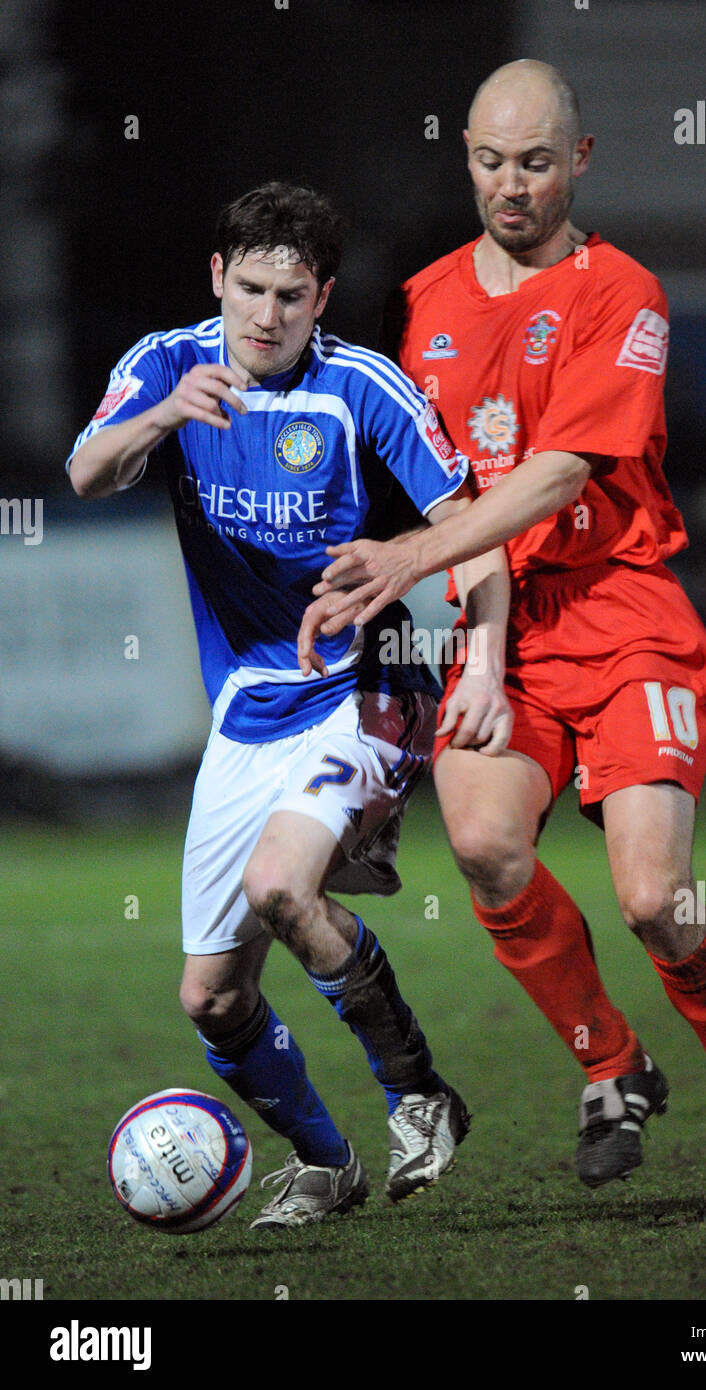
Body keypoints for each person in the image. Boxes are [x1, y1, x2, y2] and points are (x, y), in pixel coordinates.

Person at [303, 62, 706, 1221]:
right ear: (464, 153)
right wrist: (464, 642)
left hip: (621, 612)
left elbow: (557, 473)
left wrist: (413, 563)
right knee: (480, 843)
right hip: (498, 621)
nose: (509, 185)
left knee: (653, 900)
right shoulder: (418, 302)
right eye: (488, 160)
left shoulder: (618, 289)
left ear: (576, 161)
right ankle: (609, 1064)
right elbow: (432, 490)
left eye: (534, 162)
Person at [66, 181, 513, 1229]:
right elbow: (87, 473)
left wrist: (482, 662)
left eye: (293, 296)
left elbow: (478, 531)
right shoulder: (167, 364)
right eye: (251, 289)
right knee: (210, 999)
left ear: (324, 298)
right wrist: (164, 414)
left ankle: (419, 1092)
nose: (266, 317)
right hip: (249, 708)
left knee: (279, 885)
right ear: (217, 278)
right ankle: (326, 1162)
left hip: (364, 682)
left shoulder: (363, 390)